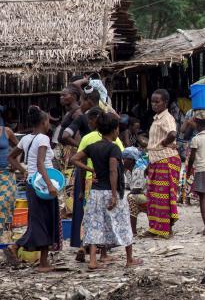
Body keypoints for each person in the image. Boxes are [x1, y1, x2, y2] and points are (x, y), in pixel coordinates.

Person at [71, 113, 142, 270]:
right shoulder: (114, 148)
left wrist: (91, 168)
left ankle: (93, 261)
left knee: (96, 225)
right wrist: (115, 195)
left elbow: (74, 159)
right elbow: (113, 171)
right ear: (115, 130)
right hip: (111, 191)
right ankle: (129, 259)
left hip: (96, 193)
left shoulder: (92, 147)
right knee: (123, 223)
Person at [6, 107, 61, 271]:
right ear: (44, 122)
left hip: (32, 183)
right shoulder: (43, 139)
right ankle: (16, 246)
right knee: (44, 222)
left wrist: (24, 171)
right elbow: (40, 164)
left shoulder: (27, 139)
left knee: (41, 221)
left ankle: (43, 262)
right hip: (43, 185)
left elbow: (11, 157)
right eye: (48, 121)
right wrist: (50, 185)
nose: (49, 124)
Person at [145, 89, 180, 238]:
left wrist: (165, 143)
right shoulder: (157, 118)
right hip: (156, 160)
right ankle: (156, 228)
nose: (154, 104)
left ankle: (167, 229)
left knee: (164, 197)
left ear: (165, 103)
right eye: (152, 102)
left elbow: (172, 133)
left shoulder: (167, 118)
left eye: (157, 102)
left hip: (166, 159)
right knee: (154, 197)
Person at [0, 109, 21, 239]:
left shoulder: (6, 131)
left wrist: (15, 164)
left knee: (6, 205)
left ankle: (5, 236)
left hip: (6, 174)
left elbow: (20, 146)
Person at [122, 147, 147, 235]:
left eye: (124, 159)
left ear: (131, 160)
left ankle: (133, 231)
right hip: (141, 196)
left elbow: (137, 189)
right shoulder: (129, 171)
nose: (123, 161)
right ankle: (132, 230)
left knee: (130, 198)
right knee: (129, 198)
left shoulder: (139, 169)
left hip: (147, 196)